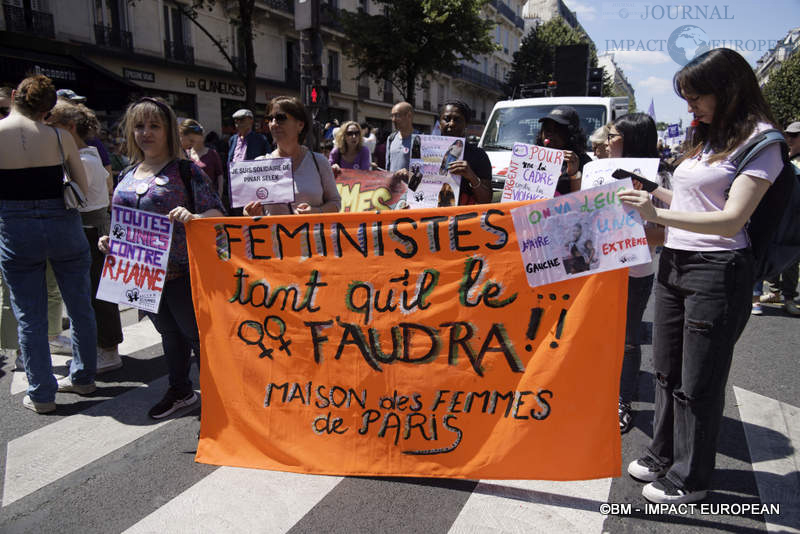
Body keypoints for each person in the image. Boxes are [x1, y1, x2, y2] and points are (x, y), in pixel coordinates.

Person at [619, 48, 783, 504]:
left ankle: (693, 476)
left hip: (717, 270)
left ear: (726, 90)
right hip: (675, 263)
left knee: (699, 380)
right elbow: (696, 201)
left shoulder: (763, 142)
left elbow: (731, 219)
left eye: (695, 97)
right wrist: (652, 192)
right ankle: (662, 453)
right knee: (668, 371)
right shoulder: (712, 137)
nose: (690, 107)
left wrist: (658, 215)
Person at [100, 97, 224, 419]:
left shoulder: (185, 170)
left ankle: (221, 400)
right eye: (139, 126)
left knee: (197, 338)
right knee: (169, 334)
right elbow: (123, 219)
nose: (146, 133)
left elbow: (217, 213)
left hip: (184, 274)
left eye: (154, 126)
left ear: (168, 130)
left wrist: (193, 216)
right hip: (143, 277)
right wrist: (111, 242)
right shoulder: (128, 173)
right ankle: (181, 390)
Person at [0, 75, 98, 413]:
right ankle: (84, 378)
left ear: (14, 96)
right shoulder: (60, 137)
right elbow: (82, 190)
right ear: (48, 107)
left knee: (29, 313)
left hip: (16, 227)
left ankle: (41, 393)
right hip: (62, 224)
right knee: (80, 304)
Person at [47, 101, 124, 374]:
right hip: (87, 232)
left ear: (69, 128)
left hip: (92, 234)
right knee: (90, 294)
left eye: (53, 127)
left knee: (98, 295)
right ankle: (101, 347)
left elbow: (70, 199)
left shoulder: (85, 160)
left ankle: (108, 350)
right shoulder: (83, 157)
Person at [608, 112, 671, 434]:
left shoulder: (658, 180)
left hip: (634, 274)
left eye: (613, 136)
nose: (606, 142)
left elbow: (667, 234)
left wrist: (625, 234)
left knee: (628, 341)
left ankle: (622, 400)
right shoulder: (596, 171)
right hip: (595, 275)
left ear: (630, 139)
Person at [243, 96, 340, 217]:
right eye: (269, 119)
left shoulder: (319, 162)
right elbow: (248, 210)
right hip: (273, 235)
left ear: (300, 125)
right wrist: (250, 213)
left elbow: (335, 203)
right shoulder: (259, 164)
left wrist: (315, 212)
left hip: (310, 234)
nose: (273, 124)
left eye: (280, 118)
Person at [756, 121, 800, 316]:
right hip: (775, 212)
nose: (789, 139)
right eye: (787, 135)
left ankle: (789, 297)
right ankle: (770, 293)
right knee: (763, 248)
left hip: (795, 214)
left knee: (791, 253)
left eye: (794, 136)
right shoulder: (780, 156)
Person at [438, 100, 492, 204]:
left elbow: (486, 200)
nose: (451, 124)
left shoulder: (479, 155)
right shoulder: (423, 151)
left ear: (466, 124)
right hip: (430, 217)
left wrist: (472, 177)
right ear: (439, 123)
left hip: (463, 218)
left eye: (457, 119)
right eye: (447, 119)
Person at [536, 106, 592, 194]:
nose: (549, 135)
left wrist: (574, 174)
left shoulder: (584, 162)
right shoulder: (533, 158)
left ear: (571, 134)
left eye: (557, 131)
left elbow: (585, 198)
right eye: (547, 130)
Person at [226, 108, 271, 213]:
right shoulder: (232, 139)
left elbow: (268, 161)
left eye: (241, 120)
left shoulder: (260, 139)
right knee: (235, 214)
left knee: (251, 212)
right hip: (235, 183)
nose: (238, 123)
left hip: (252, 184)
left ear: (250, 120)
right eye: (236, 120)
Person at [180, 119, 224, 199]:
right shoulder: (183, 153)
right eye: (191, 140)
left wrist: (219, 193)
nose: (193, 144)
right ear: (181, 134)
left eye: (194, 141)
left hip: (208, 197)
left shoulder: (212, 153)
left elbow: (219, 175)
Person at [386, 102, 414, 181]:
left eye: (397, 115)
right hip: (393, 191)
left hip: (411, 192)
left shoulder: (420, 140)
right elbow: (387, 169)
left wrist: (409, 174)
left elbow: (427, 174)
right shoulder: (391, 138)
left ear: (409, 116)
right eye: (392, 116)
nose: (393, 120)